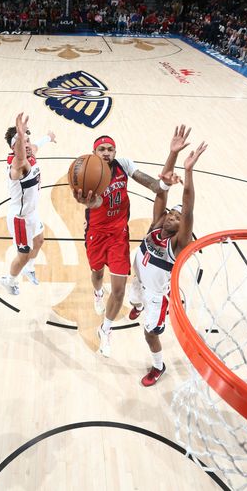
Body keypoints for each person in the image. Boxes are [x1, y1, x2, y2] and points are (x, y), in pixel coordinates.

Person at [74, 135, 169, 358]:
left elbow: (152, 184)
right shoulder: (91, 173)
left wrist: (164, 183)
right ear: (94, 153)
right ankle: (97, 293)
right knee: (97, 273)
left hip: (119, 235)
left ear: (115, 152)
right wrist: (88, 202)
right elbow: (96, 203)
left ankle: (105, 329)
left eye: (110, 149)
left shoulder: (123, 165)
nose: (107, 153)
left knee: (119, 289)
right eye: (102, 149)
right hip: (96, 234)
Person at [127, 126, 207, 385]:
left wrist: (188, 171)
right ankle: (137, 305)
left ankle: (158, 367)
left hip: (156, 293)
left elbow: (189, 205)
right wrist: (171, 154)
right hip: (138, 278)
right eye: (171, 213)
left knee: (150, 334)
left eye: (178, 217)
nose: (172, 216)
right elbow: (162, 189)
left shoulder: (179, 242)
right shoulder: (156, 224)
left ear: (183, 225)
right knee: (133, 298)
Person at [0, 112, 56, 294]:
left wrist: (48, 137)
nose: (28, 145)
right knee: (22, 255)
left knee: (39, 241)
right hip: (20, 219)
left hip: (31, 213)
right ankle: (10, 280)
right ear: (14, 147)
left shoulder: (31, 153)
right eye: (23, 143)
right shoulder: (16, 166)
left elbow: (35, 146)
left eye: (28, 141)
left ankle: (29, 268)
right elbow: (21, 159)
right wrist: (21, 136)